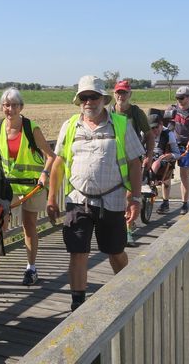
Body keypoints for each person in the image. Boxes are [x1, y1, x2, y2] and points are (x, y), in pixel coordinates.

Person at [46, 75, 144, 311]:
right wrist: (51, 198)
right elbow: (58, 163)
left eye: (93, 97)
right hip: (78, 200)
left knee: (115, 251)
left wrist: (136, 198)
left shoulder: (120, 124)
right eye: (84, 97)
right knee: (77, 252)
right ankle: (78, 303)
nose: (88, 101)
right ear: (79, 101)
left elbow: (134, 164)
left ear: (103, 99)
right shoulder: (70, 126)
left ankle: (128, 290)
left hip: (112, 200)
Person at [0, 88, 56, 291]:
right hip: (7, 187)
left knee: (29, 226)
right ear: (2, 107)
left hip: (32, 185)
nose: (10, 109)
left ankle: (31, 268)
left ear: (21, 107)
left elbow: (50, 156)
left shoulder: (31, 127)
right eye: (6, 105)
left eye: (14, 105)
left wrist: (44, 174)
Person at [109, 80, 154, 247]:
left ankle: (127, 230)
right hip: (113, 159)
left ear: (130, 94)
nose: (121, 96)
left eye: (124, 93)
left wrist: (149, 156)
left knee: (130, 194)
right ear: (114, 94)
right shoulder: (108, 112)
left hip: (132, 158)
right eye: (118, 92)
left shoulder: (136, 113)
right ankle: (117, 227)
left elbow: (149, 135)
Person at [166, 86, 189, 215]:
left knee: (184, 176)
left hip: (185, 146)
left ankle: (184, 203)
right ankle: (165, 201)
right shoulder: (172, 109)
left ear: (188, 97)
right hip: (171, 145)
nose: (179, 100)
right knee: (166, 173)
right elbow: (164, 126)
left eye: (181, 98)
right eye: (177, 98)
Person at [151, 110, 181, 214]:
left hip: (162, 159)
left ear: (161, 125)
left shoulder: (169, 134)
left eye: (156, 127)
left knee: (159, 165)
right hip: (148, 156)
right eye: (152, 128)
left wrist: (170, 155)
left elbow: (177, 154)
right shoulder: (145, 132)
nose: (154, 130)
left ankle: (165, 201)